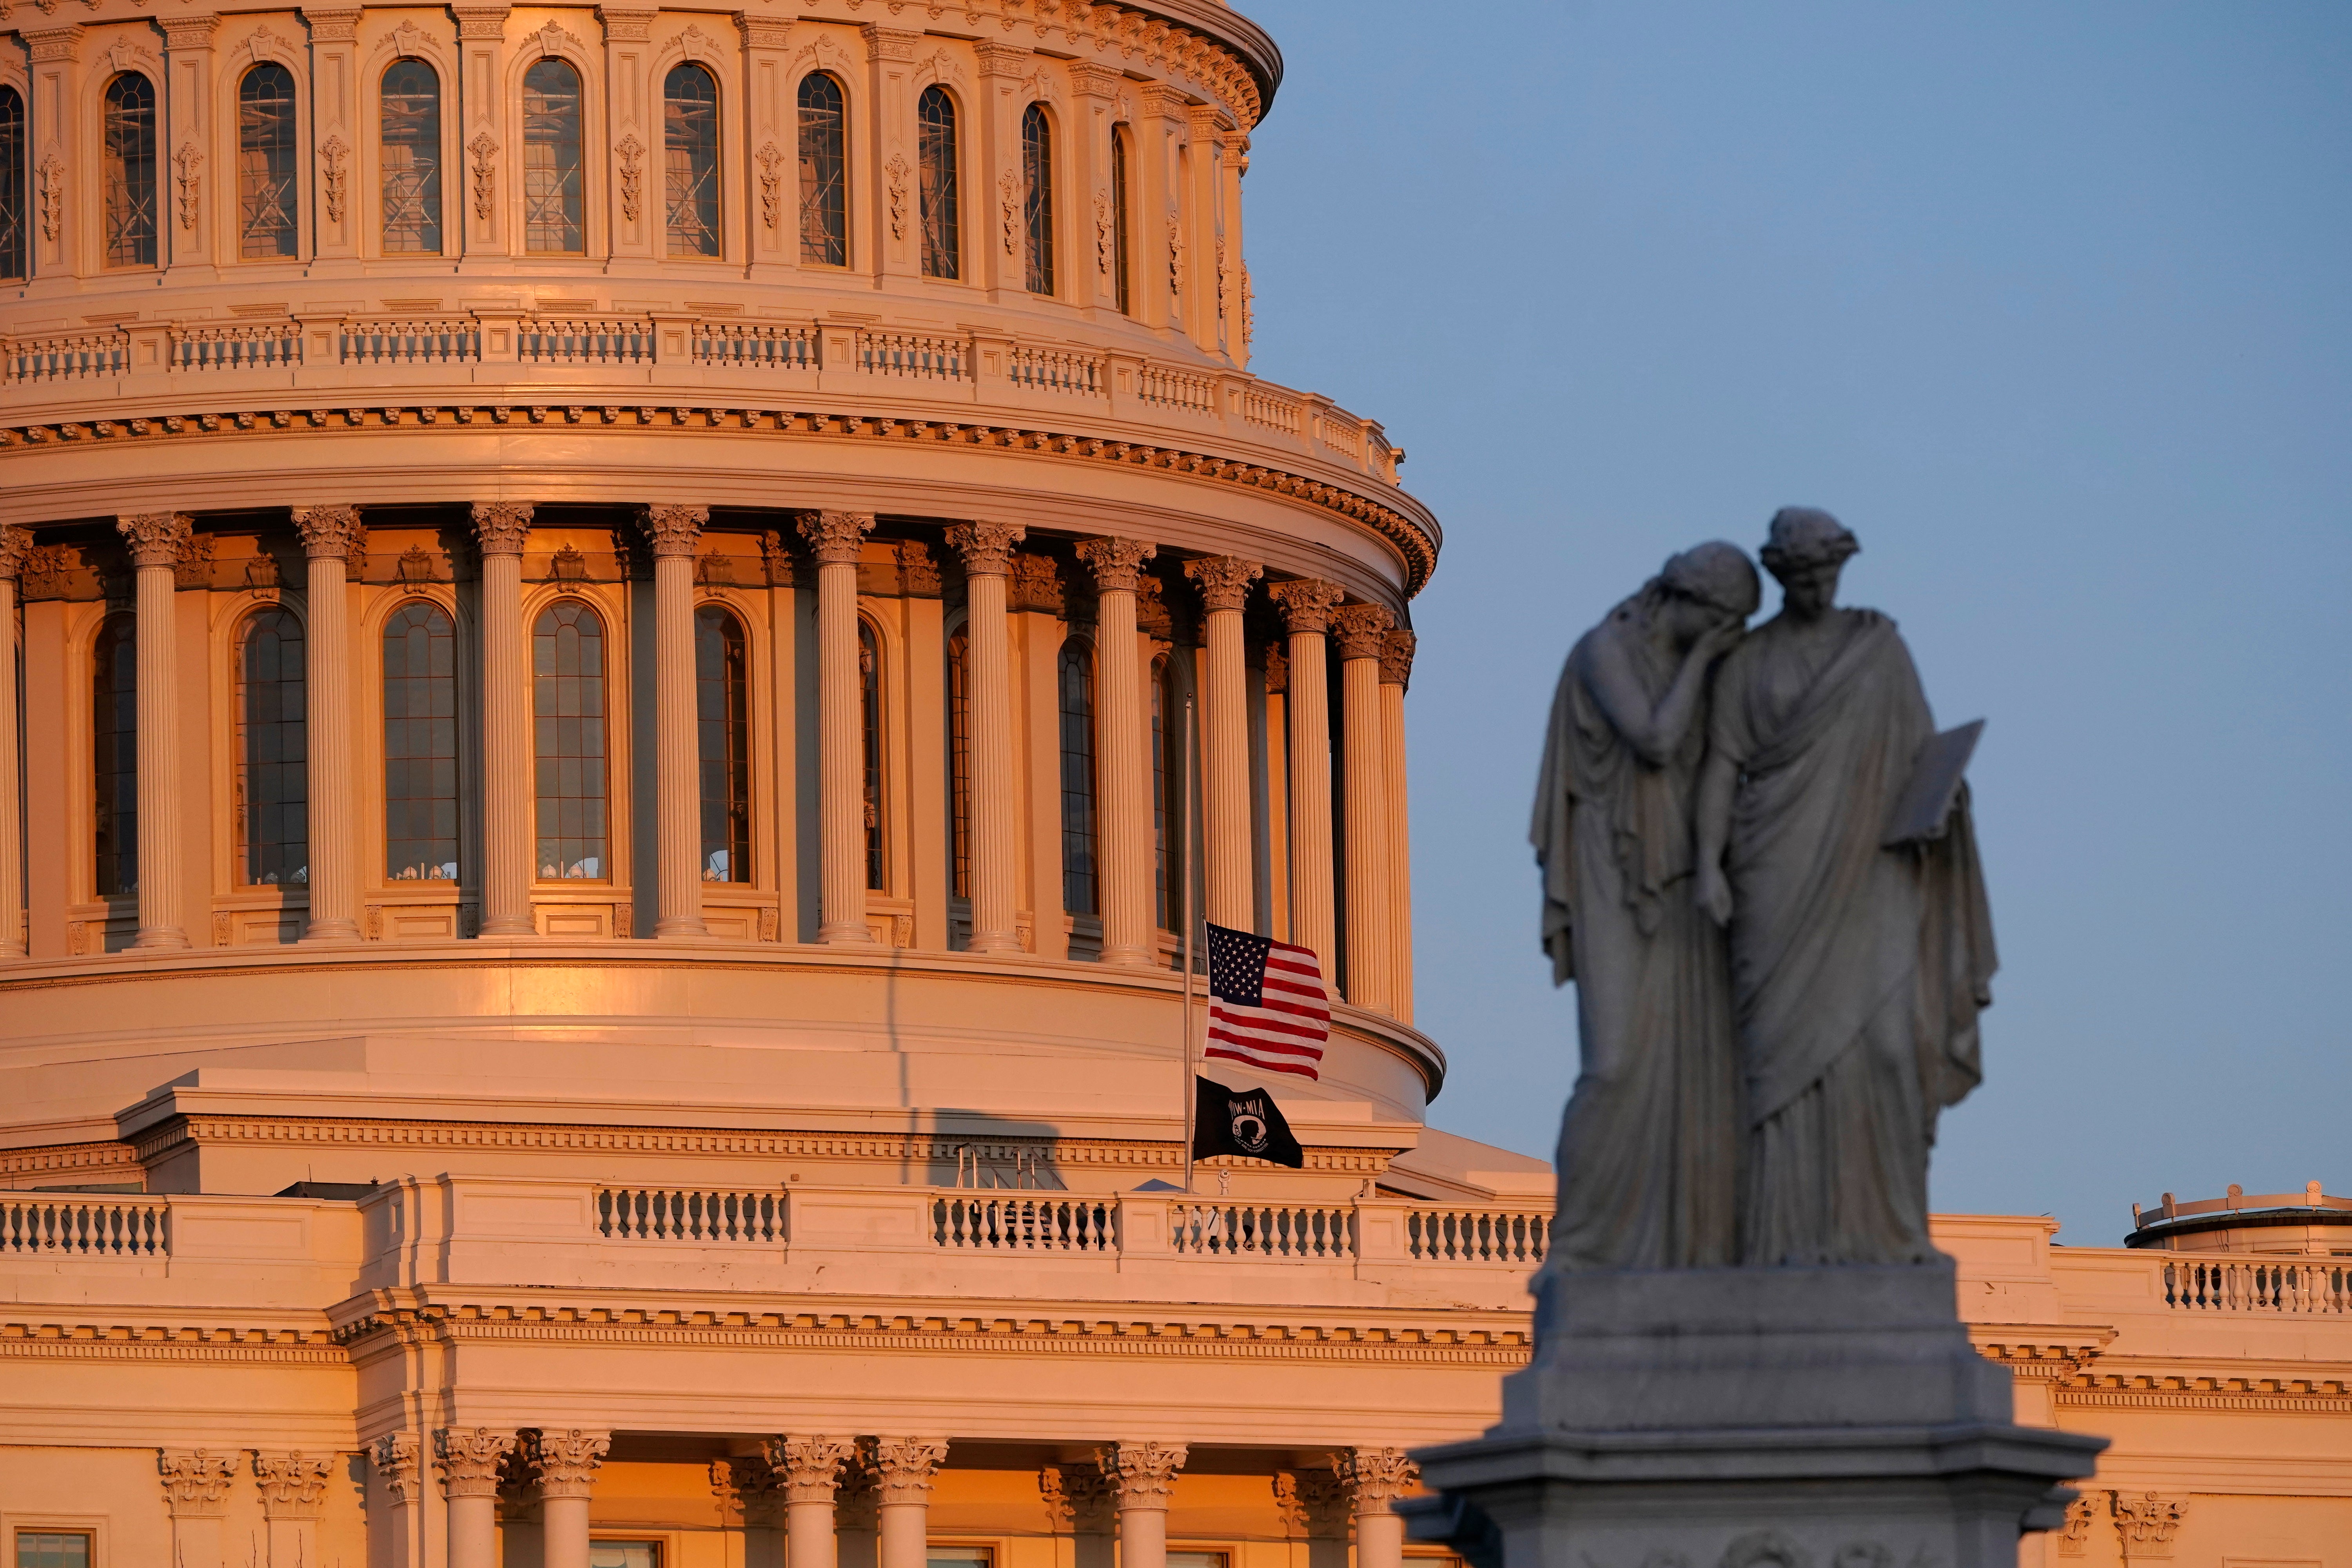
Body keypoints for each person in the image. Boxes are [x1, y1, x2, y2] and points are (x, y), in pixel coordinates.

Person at [1694, 508, 1995, 1267]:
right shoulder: (1749, 664)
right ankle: (1781, 1236)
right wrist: (1705, 863)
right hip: (1774, 869)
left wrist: (1946, 801)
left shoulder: (1880, 653)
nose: (1817, 585)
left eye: (1827, 572)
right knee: (1773, 1065)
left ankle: (1885, 1230)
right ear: (1779, 575)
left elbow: (1923, 754)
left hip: (1873, 870)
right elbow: (1722, 766)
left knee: (1888, 1046)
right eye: (1803, 574)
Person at [1532, 541, 1759, 1271]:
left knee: (1693, 1067)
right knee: (1617, 1062)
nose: (1728, 642)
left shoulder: (1705, 673)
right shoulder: (1606, 649)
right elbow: (1657, 739)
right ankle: (1584, 1241)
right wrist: (1706, 660)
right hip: (1612, 864)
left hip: (1680, 873)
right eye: (1725, 624)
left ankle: (1682, 1236)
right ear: (1688, 602)